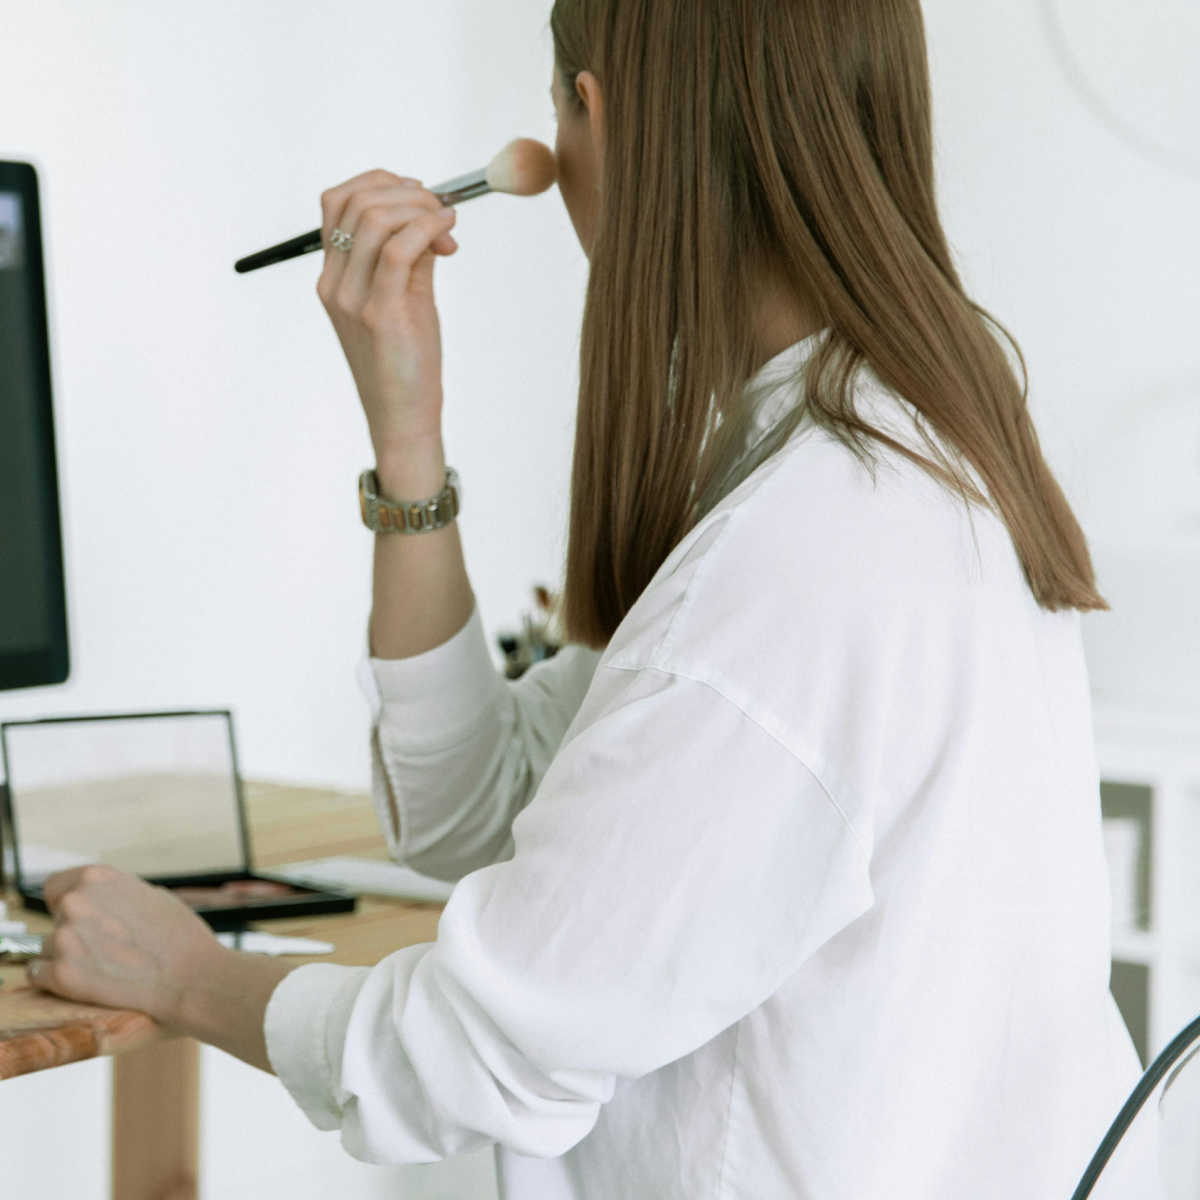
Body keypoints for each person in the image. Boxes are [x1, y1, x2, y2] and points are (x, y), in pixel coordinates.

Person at [27, 1, 1160, 1196]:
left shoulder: (802, 558)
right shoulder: (890, 446)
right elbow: (473, 803)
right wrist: (408, 441)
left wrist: (184, 974)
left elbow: (471, 1059)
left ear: (594, 113)